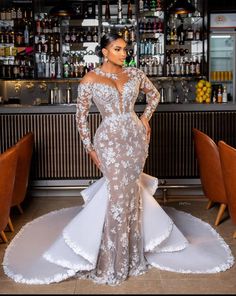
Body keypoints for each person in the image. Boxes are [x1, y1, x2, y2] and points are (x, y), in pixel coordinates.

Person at [2, 33, 234, 286]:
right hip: (109, 142)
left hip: (135, 139)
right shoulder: (90, 79)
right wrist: (90, 148)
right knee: (116, 194)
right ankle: (112, 255)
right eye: (118, 49)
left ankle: (132, 253)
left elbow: (154, 95)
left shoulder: (134, 74)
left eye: (125, 49)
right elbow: (80, 118)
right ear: (104, 51)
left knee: (131, 193)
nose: (124, 54)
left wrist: (144, 118)